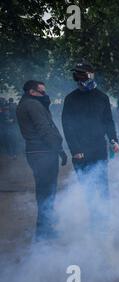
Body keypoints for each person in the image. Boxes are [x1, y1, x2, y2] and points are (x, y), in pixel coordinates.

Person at [62, 62, 119, 229]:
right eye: (76, 75)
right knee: (86, 186)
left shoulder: (102, 97)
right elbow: (67, 125)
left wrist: (114, 139)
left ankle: (103, 222)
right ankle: (93, 219)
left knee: (102, 185)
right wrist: (75, 149)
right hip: (80, 152)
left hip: (99, 149)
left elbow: (108, 121)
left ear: (91, 75)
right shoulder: (70, 98)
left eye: (82, 74)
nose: (79, 78)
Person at [16, 80, 67, 241]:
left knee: (45, 191)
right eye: (41, 91)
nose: (45, 94)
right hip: (43, 153)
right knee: (47, 191)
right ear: (32, 92)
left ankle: (45, 227)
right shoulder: (32, 105)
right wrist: (59, 148)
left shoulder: (28, 104)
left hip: (38, 152)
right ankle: (44, 231)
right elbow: (45, 129)